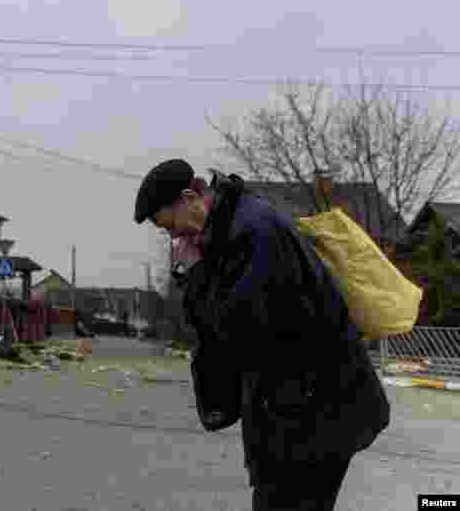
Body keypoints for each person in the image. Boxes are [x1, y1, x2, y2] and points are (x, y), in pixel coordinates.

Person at [134, 159, 390, 511]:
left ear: (189, 196)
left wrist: (195, 274)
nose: (176, 238)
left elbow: (238, 332)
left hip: (318, 415)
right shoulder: (232, 231)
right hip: (296, 414)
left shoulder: (255, 232)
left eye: (172, 227)